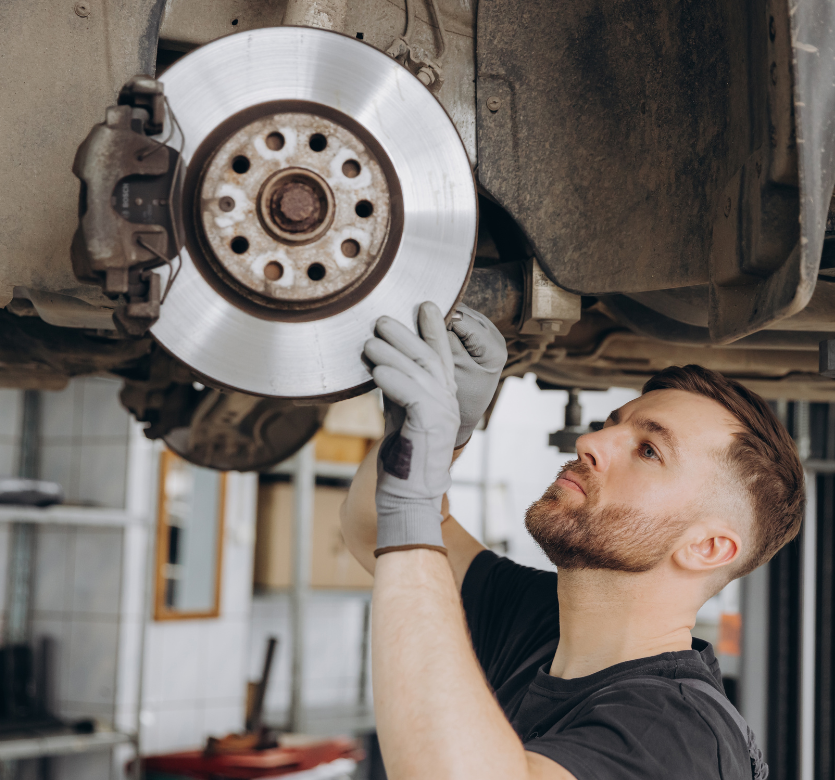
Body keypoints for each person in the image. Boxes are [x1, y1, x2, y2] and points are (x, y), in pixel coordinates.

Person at [341, 301, 805, 780]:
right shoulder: (545, 624)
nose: (591, 442)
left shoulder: (679, 738)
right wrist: (440, 440)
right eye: (611, 425)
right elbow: (377, 526)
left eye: (648, 451)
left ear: (707, 547)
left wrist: (413, 498)